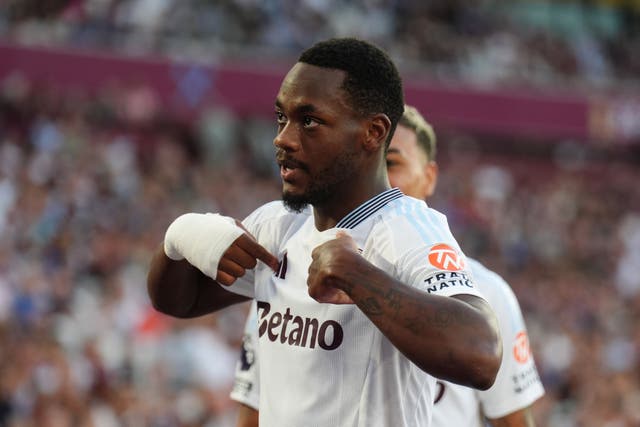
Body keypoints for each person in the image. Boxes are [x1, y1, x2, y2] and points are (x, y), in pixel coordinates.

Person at [147, 38, 502, 426]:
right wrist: (179, 239)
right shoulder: (277, 225)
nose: (282, 138)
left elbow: (481, 354)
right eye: (282, 117)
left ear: (372, 132)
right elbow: (178, 302)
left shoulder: (406, 229)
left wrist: (358, 276)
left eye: (309, 121)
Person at [230, 105, 545, 426]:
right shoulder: (288, 270)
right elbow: (253, 412)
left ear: (429, 177)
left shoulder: (484, 294)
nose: (377, 179)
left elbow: (513, 420)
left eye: (391, 163)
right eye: (366, 164)